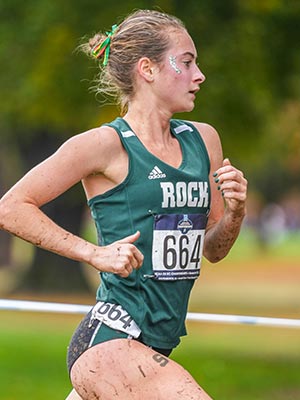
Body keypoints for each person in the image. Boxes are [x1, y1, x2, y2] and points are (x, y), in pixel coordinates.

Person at [0, 9, 247, 400]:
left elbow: (213, 250)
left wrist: (235, 212)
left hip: (155, 349)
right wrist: (92, 252)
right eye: (186, 62)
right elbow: (11, 207)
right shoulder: (103, 145)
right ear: (147, 69)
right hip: (109, 343)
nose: (199, 75)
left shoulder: (205, 141)